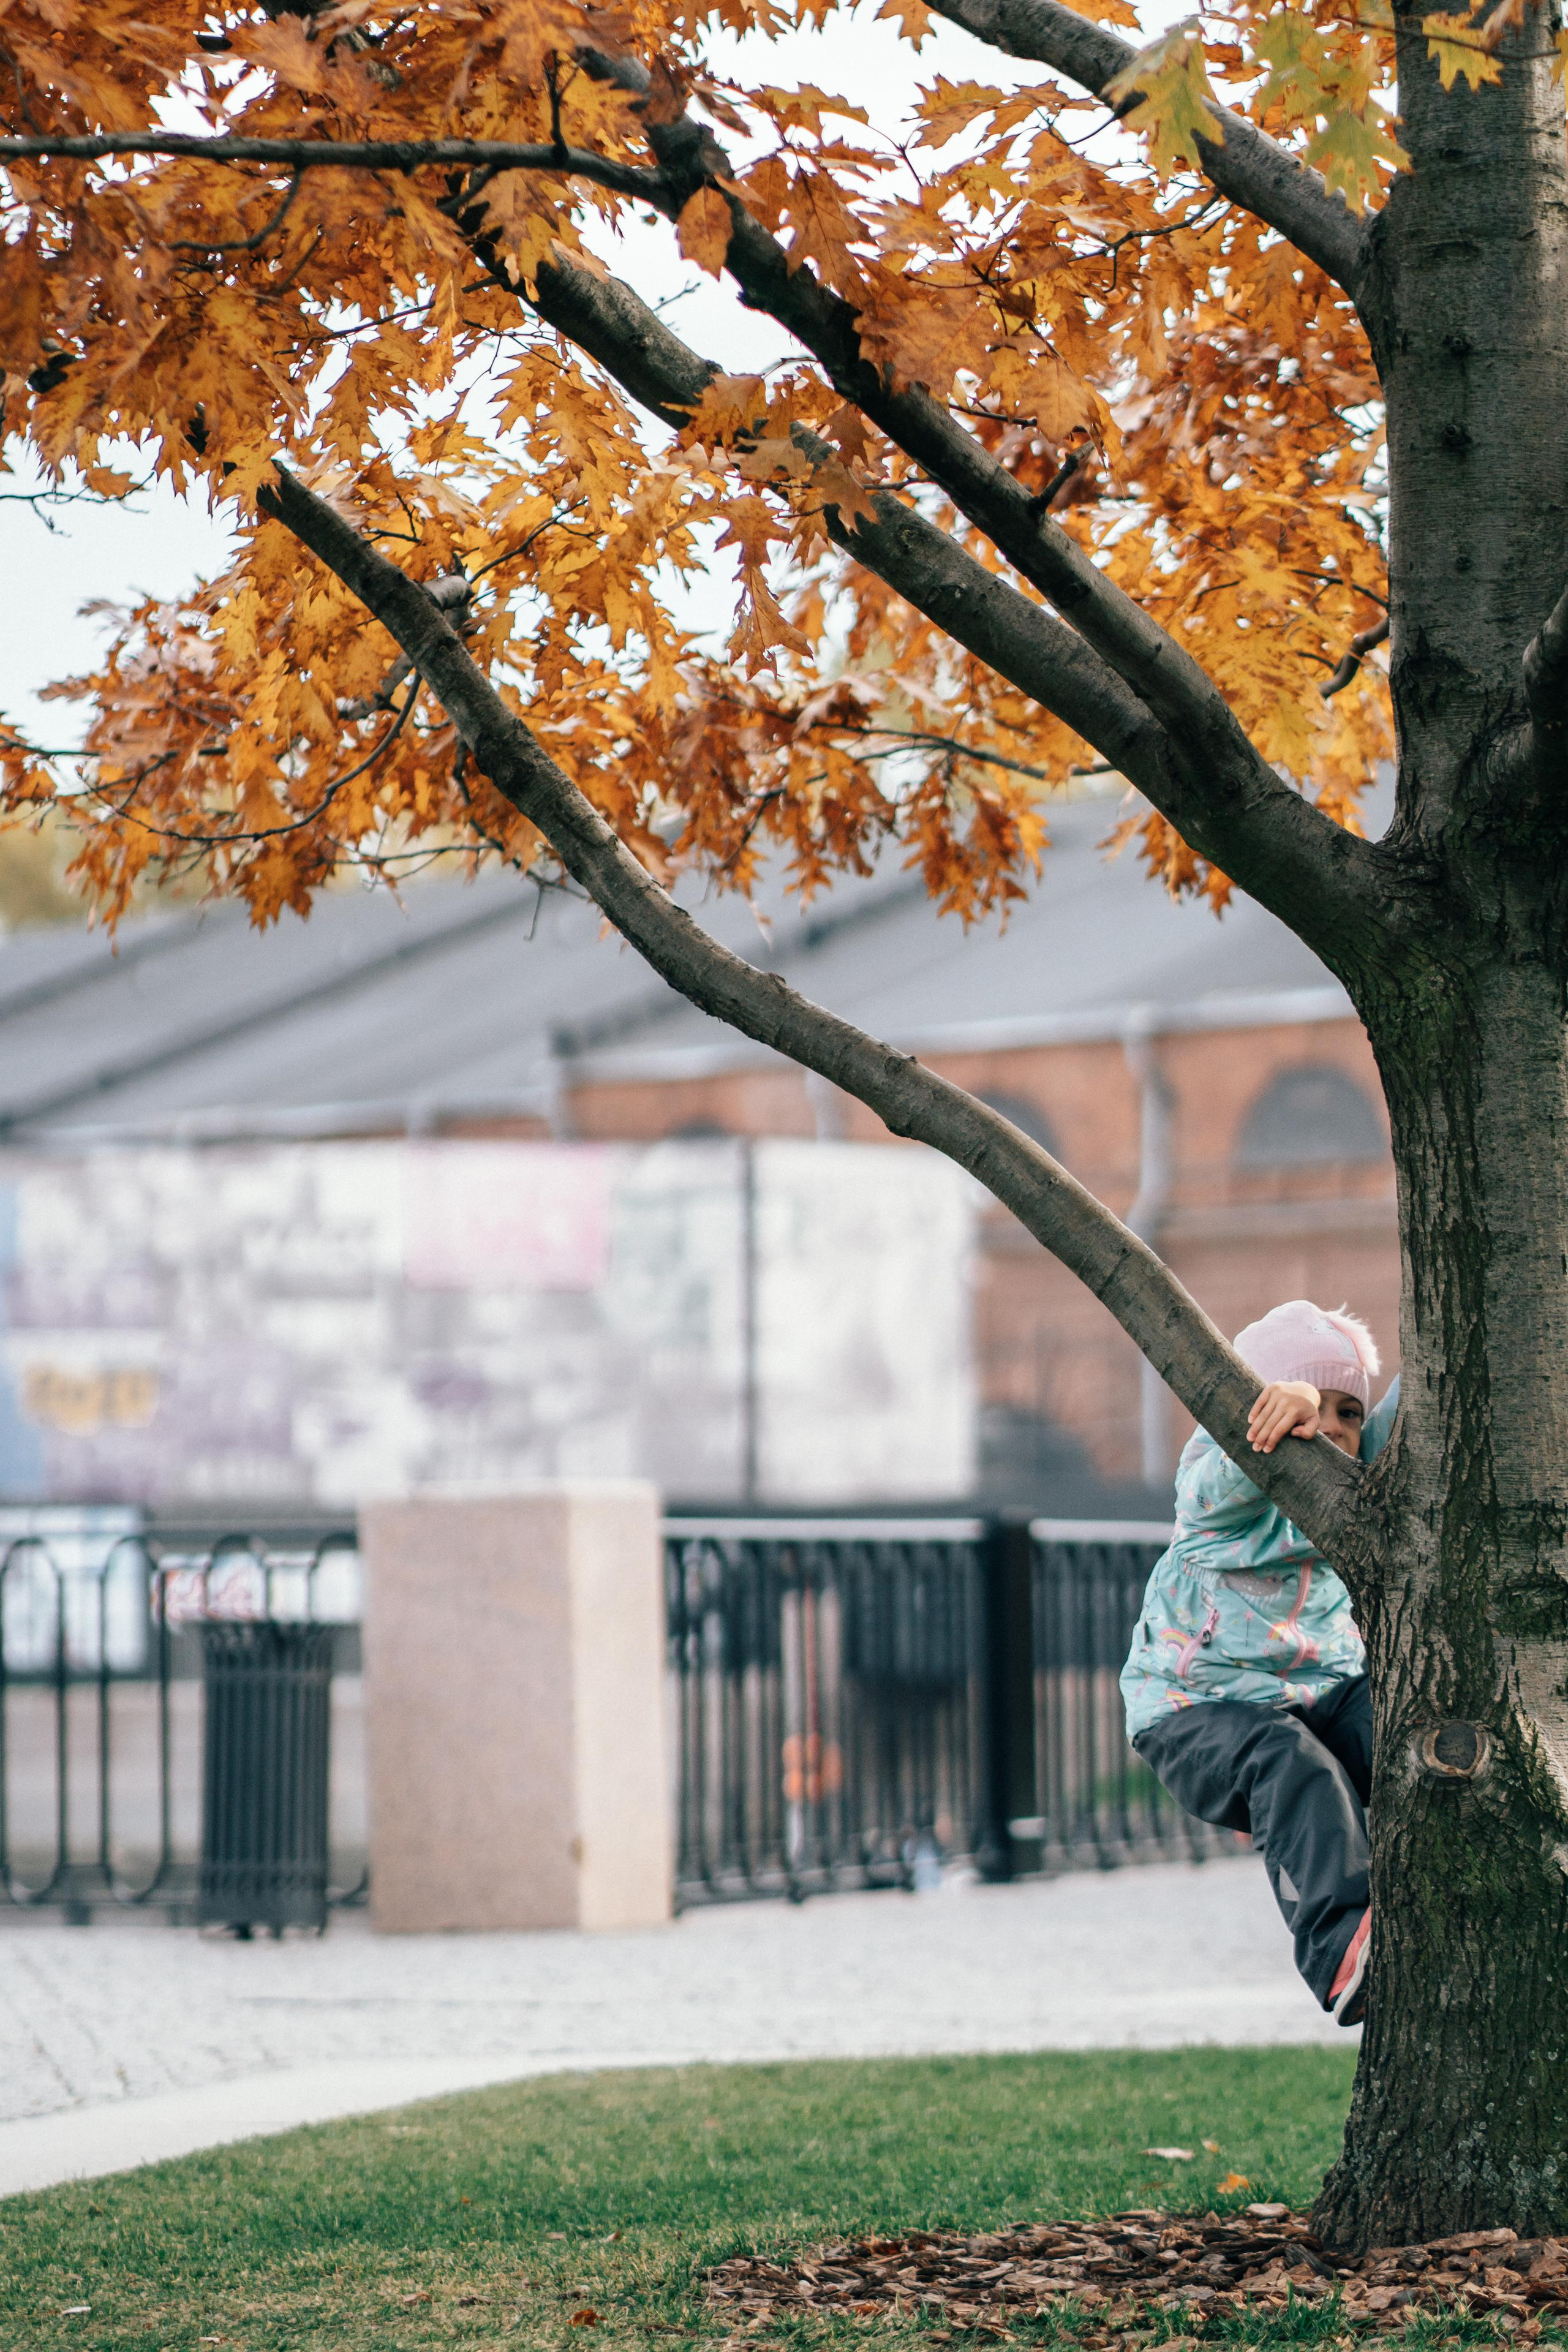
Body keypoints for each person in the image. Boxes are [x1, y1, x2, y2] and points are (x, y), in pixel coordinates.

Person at [1119, 1300, 1399, 2027]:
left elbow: (1405, 1416)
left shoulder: (1355, 1491)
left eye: (1348, 1413)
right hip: (1193, 1709)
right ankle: (1338, 1946)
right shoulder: (1219, 1498)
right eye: (1316, 1408)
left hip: (1318, 1691)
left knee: (1400, 1729)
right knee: (1289, 1764)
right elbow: (1231, 1474)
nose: (1333, 1429)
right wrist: (1282, 1409)